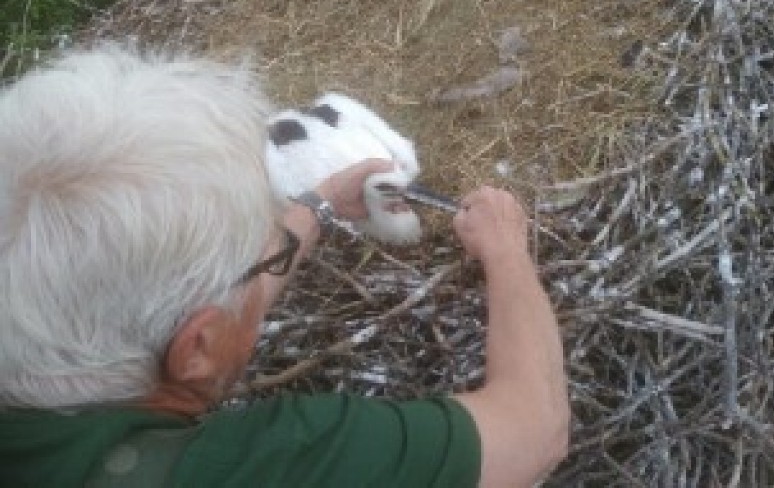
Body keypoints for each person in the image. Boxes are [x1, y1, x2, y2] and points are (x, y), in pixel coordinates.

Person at [0, 45, 570, 487]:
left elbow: (194, 318)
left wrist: (317, 206)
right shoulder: (257, 469)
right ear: (195, 348)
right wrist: (506, 251)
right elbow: (536, 428)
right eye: (260, 259)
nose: (271, 259)